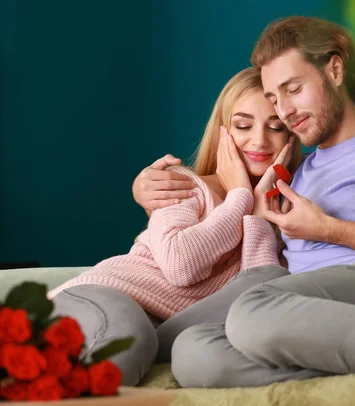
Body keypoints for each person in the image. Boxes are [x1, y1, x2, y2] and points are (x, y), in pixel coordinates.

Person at [134, 17, 355, 395]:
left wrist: (328, 228)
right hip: (309, 313)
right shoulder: (296, 175)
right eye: (274, 98)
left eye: (293, 89)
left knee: (255, 310)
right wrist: (151, 188)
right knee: (193, 351)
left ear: (334, 69)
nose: (285, 111)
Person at [48, 67, 302, 386]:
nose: (259, 140)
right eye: (243, 125)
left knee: (138, 341)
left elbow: (257, 296)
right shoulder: (184, 184)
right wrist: (239, 196)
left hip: (158, 332)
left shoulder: (282, 216)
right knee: (128, 338)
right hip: (105, 295)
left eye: (275, 127)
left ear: (292, 136)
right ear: (223, 131)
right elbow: (181, 265)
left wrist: (258, 216)